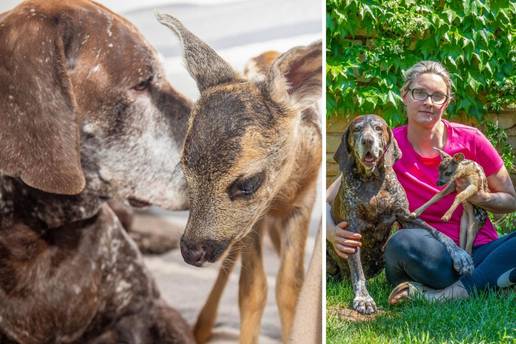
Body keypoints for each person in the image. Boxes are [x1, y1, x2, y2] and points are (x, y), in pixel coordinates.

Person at [326, 61, 516, 303]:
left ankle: (452, 293)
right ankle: (493, 280)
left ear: (446, 103)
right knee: (401, 243)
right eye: (420, 93)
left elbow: (511, 200)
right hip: (426, 255)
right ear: (405, 96)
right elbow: (328, 197)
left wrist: (480, 197)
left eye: (438, 96)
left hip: (478, 249)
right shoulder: (386, 145)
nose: (428, 101)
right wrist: (332, 233)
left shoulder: (472, 140)